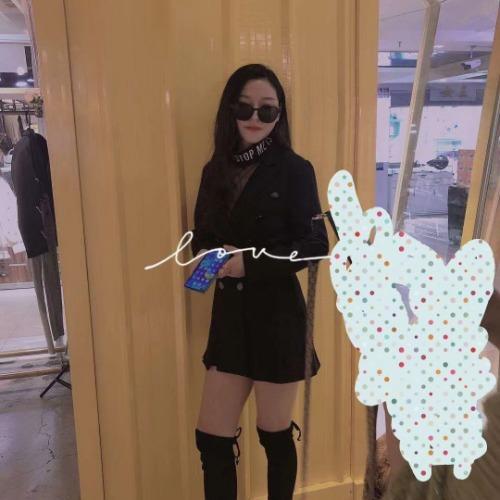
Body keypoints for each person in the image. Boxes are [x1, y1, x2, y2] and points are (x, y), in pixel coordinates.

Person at [190, 63, 329, 499]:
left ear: (279, 115)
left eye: (267, 110)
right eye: (245, 107)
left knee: (273, 433)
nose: (255, 117)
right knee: (210, 438)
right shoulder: (215, 170)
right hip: (230, 319)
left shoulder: (295, 169)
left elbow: (315, 245)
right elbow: (201, 236)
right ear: (230, 110)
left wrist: (249, 264)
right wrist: (208, 257)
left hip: (278, 321)